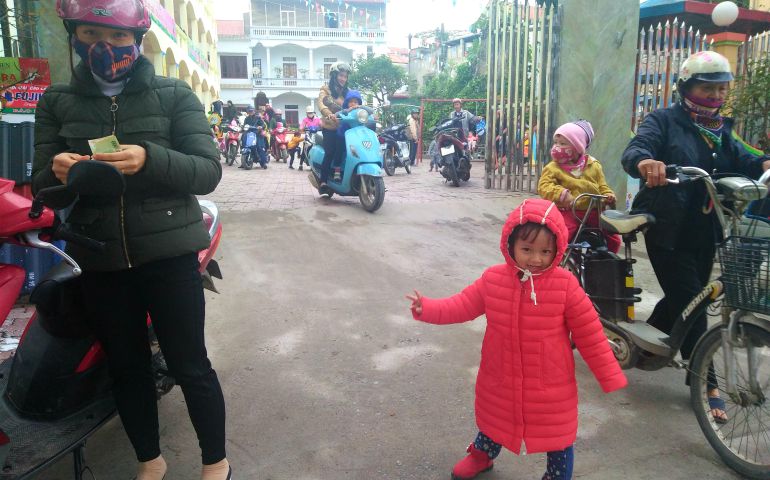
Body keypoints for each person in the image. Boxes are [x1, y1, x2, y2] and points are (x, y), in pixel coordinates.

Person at [34, 2, 230, 479]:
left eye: (119, 37)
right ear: (75, 36)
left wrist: (150, 158)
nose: (105, 47)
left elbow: (207, 171)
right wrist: (60, 174)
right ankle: (150, 460)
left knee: (190, 366)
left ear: (138, 38)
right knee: (126, 368)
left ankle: (216, 464)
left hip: (168, 256)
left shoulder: (173, 93)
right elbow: (40, 183)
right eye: (91, 33)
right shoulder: (57, 100)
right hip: (99, 258)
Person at [406, 198, 627, 480]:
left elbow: (590, 332)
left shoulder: (565, 285)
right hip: (501, 374)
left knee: (557, 437)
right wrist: (428, 308)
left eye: (545, 251)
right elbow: (462, 304)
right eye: (527, 249)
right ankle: (481, 456)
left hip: (550, 382)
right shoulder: (493, 279)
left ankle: (557, 476)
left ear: (557, 249)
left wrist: (609, 374)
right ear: (510, 245)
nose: (536, 259)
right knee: (494, 419)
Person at [621, 50, 770, 424]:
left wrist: (765, 162)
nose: (716, 96)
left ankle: (645, 344)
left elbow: (751, 158)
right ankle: (705, 382)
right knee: (694, 300)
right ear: (687, 88)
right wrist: (646, 163)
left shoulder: (724, 131)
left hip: (708, 230)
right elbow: (637, 148)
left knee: (686, 298)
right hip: (667, 225)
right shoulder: (664, 121)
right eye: (708, 88)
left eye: (722, 89)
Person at [538, 120, 621, 253]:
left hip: (594, 212)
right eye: (556, 143)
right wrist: (561, 194)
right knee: (561, 236)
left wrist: (608, 196)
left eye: (563, 143)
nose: (557, 147)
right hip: (569, 212)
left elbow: (602, 186)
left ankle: (607, 265)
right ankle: (557, 262)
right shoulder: (552, 167)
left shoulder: (594, 165)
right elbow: (544, 186)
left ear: (578, 147)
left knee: (614, 238)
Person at [317, 61, 350, 190]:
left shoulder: (348, 92)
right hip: (330, 126)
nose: (343, 79)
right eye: (341, 75)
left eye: (345, 76)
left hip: (344, 127)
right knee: (330, 152)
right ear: (335, 75)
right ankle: (323, 182)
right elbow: (322, 103)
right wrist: (328, 113)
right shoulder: (326, 90)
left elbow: (355, 103)